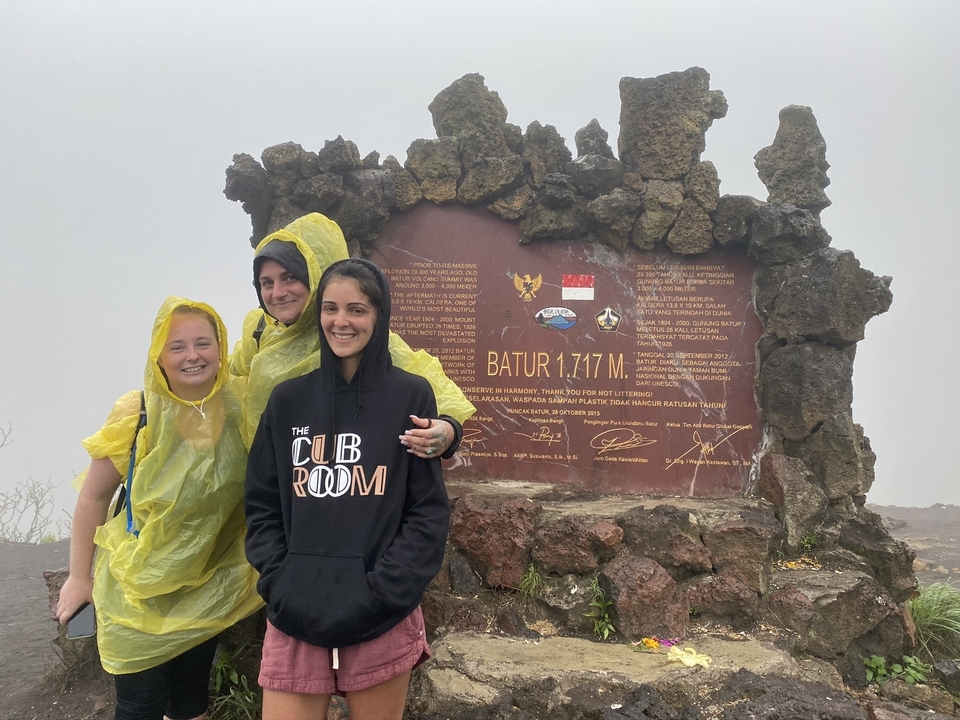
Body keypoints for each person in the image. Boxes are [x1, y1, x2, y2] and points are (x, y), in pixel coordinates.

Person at [244, 259, 449, 720]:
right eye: (331, 308)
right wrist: (281, 583)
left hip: (381, 614)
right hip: (294, 613)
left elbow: (425, 511)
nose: (342, 321)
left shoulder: (411, 396)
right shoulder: (287, 400)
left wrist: (382, 592)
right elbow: (261, 503)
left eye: (357, 309)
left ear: (379, 316)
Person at [56, 298, 263, 720]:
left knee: (189, 703)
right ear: (159, 357)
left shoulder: (242, 405)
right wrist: (79, 578)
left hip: (205, 583)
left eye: (203, 342)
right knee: (141, 707)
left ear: (220, 348)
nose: (192, 355)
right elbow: (94, 498)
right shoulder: (139, 413)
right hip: (135, 591)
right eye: (178, 347)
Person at [229, 212, 474, 456]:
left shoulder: (358, 336)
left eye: (290, 278)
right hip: (271, 478)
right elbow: (230, 371)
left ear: (316, 276)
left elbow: (438, 394)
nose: (277, 293)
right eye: (267, 283)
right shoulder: (260, 329)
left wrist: (447, 431)